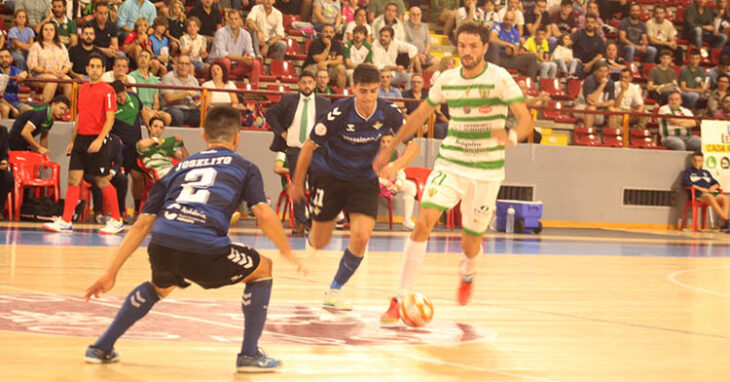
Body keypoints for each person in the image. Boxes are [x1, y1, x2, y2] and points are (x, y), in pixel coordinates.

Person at [83, 105, 305, 372]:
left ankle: (101, 347)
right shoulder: (245, 166)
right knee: (263, 268)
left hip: (162, 244)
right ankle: (249, 355)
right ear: (237, 138)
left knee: (159, 287)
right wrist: (287, 251)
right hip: (203, 248)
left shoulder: (179, 168)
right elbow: (264, 215)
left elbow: (142, 224)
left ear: (203, 136)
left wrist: (111, 273)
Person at [374, 23, 534, 323]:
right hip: (451, 163)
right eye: (462, 46)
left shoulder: (499, 78)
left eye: (474, 46)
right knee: (424, 221)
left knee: (470, 244)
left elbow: (525, 119)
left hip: (486, 172)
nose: (468, 52)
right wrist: (390, 148)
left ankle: (468, 270)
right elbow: (420, 115)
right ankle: (399, 297)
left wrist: (511, 137)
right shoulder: (446, 79)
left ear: (485, 47)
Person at [289, 63, 418, 310]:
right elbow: (308, 147)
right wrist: (297, 182)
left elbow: (413, 146)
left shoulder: (389, 112)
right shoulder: (338, 113)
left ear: (379, 88)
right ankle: (313, 236)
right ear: (353, 89)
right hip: (330, 176)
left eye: (372, 91)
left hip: (364, 179)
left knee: (361, 236)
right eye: (363, 91)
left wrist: (395, 165)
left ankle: (334, 290)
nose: (368, 98)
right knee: (319, 241)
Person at [43, 52, 125, 234]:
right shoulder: (82, 88)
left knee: (102, 181)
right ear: (87, 69)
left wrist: (99, 139)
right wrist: (72, 140)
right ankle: (66, 220)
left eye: (98, 67)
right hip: (81, 139)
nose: (94, 70)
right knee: (73, 179)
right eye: (92, 66)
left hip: (99, 139)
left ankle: (117, 220)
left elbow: (110, 119)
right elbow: (80, 117)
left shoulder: (108, 90)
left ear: (103, 70)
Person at [266, 71, 331, 234]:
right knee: (298, 185)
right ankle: (300, 222)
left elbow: (332, 123)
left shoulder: (324, 102)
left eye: (310, 82)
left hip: (315, 149)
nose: (307, 85)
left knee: (318, 186)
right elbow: (270, 114)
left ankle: (313, 221)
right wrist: (281, 132)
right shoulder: (288, 100)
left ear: (315, 84)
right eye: (304, 82)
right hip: (294, 148)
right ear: (299, 84)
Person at [108, 80, 146, 218]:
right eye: (117, 96)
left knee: (138, 176)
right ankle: (120, 211)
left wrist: (150, 131)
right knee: (120, 179)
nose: (121, 98)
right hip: (119, 149)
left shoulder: (134, 98)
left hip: (135, 147)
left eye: (122, 94)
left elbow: (143, 113)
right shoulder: (110, 106)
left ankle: (137, 210)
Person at [209, 10, 262, 87]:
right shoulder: (220, 32)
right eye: (231, 19)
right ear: (228, 20)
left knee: (255, 63)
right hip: (219, 65)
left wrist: (249, 57)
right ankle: (224, 88)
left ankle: (253, 91)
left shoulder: (246, 34)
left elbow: (250, 51)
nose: (233, 21)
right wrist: (241, 59)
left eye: (236, 19)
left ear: (241, 21)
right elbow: (221, 54)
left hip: (236, 65)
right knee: (226, 61)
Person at [378, 129, 417, 229]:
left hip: (391, 184)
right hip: (375, 184)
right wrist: (385, 182)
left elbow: (401, 171)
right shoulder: (373, 154)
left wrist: (399, 182)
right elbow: (370, 174)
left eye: (388, 141)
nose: (385, 145)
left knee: (411, 186)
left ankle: (407, 221)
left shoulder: (396, 154)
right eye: (383, 141)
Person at [682, 151, 730, 232]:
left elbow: (716, 183)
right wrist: (701, 189)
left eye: (699, 160)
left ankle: (724, 224)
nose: (697, 162)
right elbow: (685, 182)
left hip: (710, 192)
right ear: (692, 161)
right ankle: (726, 220)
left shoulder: (706, 173)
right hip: (699, 194)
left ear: (702, 161)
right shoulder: (689, 172)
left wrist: (713, 187)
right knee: (709, 196)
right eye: (695, 160)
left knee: (725, 198)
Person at [85, 134, 128, 224]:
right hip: (91, 171)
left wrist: (112, 173)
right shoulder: (90, 138)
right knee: (99, 179)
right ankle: (98, 212)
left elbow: (118, 161)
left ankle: (119, 213)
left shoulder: (115, 139)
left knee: (123, 179)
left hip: (108, 171)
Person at [27, 22, 73, 103]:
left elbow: (67, 65)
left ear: (55, 32)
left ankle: (67, 108)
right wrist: (50, 72)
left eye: (51, 30)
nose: (49, 32)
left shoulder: (61, 46)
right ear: (41, 32)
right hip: (39, 75)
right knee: (52, 80)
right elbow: (33, 66)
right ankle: (45, 108)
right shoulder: (36, 46)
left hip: (59, 74)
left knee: (68, 81)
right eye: (46, 29)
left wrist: (62, 72)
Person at [488, 12, 539, 78]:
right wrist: (508, 44)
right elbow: (492, 39)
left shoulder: (515, 32)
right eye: (507, 19)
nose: (508, 22)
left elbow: (515, 52)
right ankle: (494, 77)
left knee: (531, 58)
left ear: (513, 21)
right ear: (503, 19)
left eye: (511, 20)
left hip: (507, 59)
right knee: (495, 45)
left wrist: (511, 52)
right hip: (495, 58)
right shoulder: (498, 27)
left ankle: (530, 83)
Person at [129, 49, 172, 126]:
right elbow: (133, 98)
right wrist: (145, 108)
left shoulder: (154, 79)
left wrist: (155, 110)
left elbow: (156, 101)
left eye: (146, 57)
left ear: (150, 61)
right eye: (141, 56)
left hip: (152, 110)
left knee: (167, 117)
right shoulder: (132, 76)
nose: (143, 59)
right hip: (140, 109)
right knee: (148, 116)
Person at [161, 54, 201, 127]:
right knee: (178, 115)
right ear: (176, 65)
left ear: (189, 67)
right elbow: (169, 99)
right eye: (181, 63)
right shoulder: (168, 78)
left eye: (186, 64)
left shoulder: (193, 80)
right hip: (173, 108)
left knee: (203, 115)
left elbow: (198, 100)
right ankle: (177, 137)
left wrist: (199, 103)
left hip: (190, 109)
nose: (183, 66)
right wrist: (186, 93)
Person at [302, 24, 347, 89]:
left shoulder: (337, 44)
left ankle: (341, 93)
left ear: (334, 34)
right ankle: (315, 94)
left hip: (329, 68)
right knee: (317, 70)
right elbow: (319, 60)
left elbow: (339, 60)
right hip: (314, 66)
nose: (328, 34)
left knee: (341, 69)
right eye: (326, 32)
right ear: (321, 33)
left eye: (331, 32)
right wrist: (327, 48)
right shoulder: (315, 43)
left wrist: (327, 62)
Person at [575, 62, 617, 128]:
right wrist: (602, 85)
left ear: (608, 72)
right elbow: (590, 101)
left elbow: (612, 102)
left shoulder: (611, 82)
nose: (603, 74)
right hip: (582, 107)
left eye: (605, 71)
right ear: (595, 72)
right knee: (591, 108)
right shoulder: (589, 80)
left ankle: (612, 136)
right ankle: (587, 134)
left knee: (612, 110)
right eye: (600, 71)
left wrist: (597, 105)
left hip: (599, 108)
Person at [404, 6, 439, 73]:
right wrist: (417, 54)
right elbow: (404, 45)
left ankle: (423, 74)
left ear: (421, 16)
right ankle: (421, 77)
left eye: (418, 14)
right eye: (413, 14)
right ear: (409, 15)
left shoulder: (425, 26)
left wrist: (425, 55)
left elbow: (428, 43)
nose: (416, 17)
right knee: (416, 59)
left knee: (439, 62)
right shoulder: (404, 27)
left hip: (424, 54)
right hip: (410, 55)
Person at [0, 48, 31, 119]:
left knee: (29, 110)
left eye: (6, 57)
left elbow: (25, 73)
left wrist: (25, 73)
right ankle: (4, 130)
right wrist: (12, 108)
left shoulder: (15, 70)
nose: (4, 59)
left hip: (14, 101)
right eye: (1, 57)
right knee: (5, 109)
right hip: (2, 102)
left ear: (11, 58)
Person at [0, 126, 12, 220]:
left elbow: (4, 153)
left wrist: (4, 161)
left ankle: (0, 209)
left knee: (8, 177)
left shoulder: (2, 130)